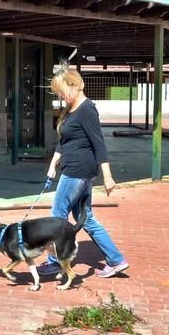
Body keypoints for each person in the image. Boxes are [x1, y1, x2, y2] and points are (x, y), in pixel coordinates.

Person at [37, 68, 129, 278]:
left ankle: (54, 262)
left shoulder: (87, 109)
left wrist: (107, 175)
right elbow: (64, 142)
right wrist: (53, 165)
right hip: (74, 169)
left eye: (61, 91)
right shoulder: (71, 109)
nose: (60, 96)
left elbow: (99, 143)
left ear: (74, 85)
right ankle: (116, 260)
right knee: (85, 219)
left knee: (57, 216)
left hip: (78, 172)